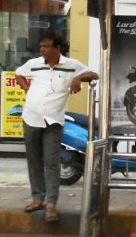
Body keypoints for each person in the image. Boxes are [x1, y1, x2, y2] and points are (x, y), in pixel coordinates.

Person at [15, 34, 98, 223]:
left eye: (46, 46)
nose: (42, 50)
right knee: (33, 160)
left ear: (57, 48)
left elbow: (94, 74)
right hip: (31, 118)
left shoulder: (71, 65)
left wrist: (77, 78)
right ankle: (37, 198)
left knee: (51, 162)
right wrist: (25, 87)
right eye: (41, 46)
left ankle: (51, 204)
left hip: (53, 121)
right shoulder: (34, 64)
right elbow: (18, 73)